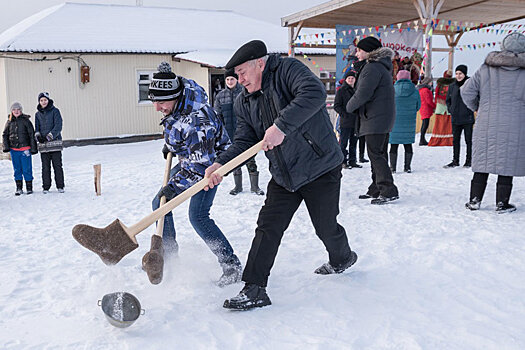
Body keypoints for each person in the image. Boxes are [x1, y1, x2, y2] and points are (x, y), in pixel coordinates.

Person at [205, 40, 357, 310]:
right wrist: (221, 165)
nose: (239, 80)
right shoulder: (244, 101)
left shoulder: (288, 69)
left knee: (325, 226)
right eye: (235, 75)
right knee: (268, 226)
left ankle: (342, 258)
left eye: (242, 73)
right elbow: (244, 141)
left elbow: (314, 94)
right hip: (284, 175)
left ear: (259, 64)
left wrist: (280, 126)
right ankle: (254, 288)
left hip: (319, 166)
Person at [148, 62, 243, 287]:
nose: (157, 108)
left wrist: (175, 186)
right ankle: (169, 258)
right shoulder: (180, 100)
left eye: (162, 102)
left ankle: (231, 266)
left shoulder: (198, 122)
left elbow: (201, 166)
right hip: (191, 159)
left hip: (211, 166)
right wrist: (173, 144)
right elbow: (176, 125)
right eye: (155, 101)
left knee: (198, 216)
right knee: (160, 205)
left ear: (174, 97)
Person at [461, 32, 525, 213]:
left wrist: (477, 107)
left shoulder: (485, 68)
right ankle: (502, 203)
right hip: (516, 124)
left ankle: (474, 201)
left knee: (483, 162)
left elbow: (466, 92)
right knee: (507, 163)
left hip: (486, 122)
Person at [346, 37, 399, 204]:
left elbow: (363, 93)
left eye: (359, 50)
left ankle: (388, 189)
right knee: (379, 153)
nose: (356, 53)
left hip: (375, 118)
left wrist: (349, 106)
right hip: (381, 118)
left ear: (368, 51)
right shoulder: (380, 67)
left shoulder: (372, 68)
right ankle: (376, 188)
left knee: (375, 154)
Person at [214, 68, 264, 195]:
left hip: (245, 133)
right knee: (234, 161)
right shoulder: (220, 96)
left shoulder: (244, 93)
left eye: (232, 79)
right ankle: (238, 187)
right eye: (228, 79)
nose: (230, 81)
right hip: (229, 134)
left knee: (250, 160)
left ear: (237, 80)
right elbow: (217, 116)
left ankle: (255, 187)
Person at [2, 102, 38, 195]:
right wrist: (6, 147)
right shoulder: (9, 121)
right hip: (14, 150)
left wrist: (33, 148)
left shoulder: (26, 121)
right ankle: (19, 188)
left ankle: (29, 187)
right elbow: (5, 134)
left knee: (26, 168)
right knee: (17, 169)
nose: (16, 111)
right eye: (14, 109)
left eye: (18, 109)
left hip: (25, 149)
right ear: (12, 111)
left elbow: (31, 135)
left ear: (21, 111)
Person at [389, 70, 421, 173]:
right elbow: (418, 106)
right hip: (409, 121)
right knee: (408, 144)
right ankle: (407, 167)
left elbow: (387, 105)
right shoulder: (415, 90)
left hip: (394, 121)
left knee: (394, 145)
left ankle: (393, 168)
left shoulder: (392, 90)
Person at [444, 64, 475, 168]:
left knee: (468, 140)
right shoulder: (452, 86)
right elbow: (448, 100)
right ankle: (455, 160)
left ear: (464, 74)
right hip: (456, 117)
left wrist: (472, 109)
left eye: (460, 73)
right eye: (456, 73)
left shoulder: (470, 85)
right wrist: (451, 109)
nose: (458, 76)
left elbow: (476, 98)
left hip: (467, 118)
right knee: (455, 140)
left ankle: (469, 160)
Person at [35, 92, 65, 193]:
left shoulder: (55, 111)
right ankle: (46, 187)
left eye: (45, 100)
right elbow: (37, 128)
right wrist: (38, 137)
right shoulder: (37, 114)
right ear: (39, 102)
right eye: (41, 100)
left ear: (48, 100)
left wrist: (49, 137)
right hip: (43, 145)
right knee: (45, 167)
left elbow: (58, 126)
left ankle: (60, 186)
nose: (43, 102)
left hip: (54, 143)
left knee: (57, 165)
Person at [333, 69, 362, 169]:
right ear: (345, 80)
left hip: (356, 121)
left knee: (354, 143)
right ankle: (343, 161)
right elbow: (336, 106)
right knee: (344, 143)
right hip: (345, 121)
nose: (350, 80)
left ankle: (352, 161)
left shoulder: (358, 90)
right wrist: (344, 114)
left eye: (352, 78)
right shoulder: (341, 91)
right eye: (349, 78)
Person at [427, 71, 454, 147]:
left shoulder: (439, 84)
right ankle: (448, 140)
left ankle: (437, 140)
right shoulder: (453, 84)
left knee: (439, 124)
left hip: (440, 106)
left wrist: (436, 105)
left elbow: (436, 95)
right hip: (450, 106)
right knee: (449, 124)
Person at [417, 76, 436, 145]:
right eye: (430, 82)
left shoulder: (422, 90)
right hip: (426, 108)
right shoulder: (426, 90)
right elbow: (429, 101)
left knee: (424, 124)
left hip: (423, 108)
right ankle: (422, 139)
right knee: (425, 124)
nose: (431, 83)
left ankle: (422, 139)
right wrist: (435, 105)